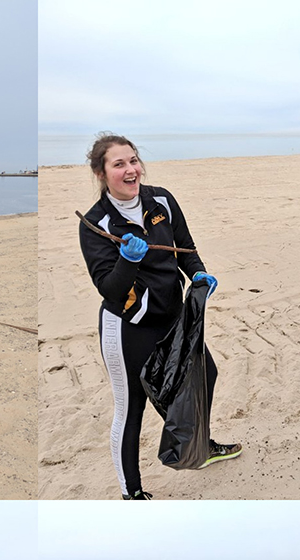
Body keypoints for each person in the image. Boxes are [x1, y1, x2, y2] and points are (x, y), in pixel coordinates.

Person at [78, 133, 241, 500]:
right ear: (102, 173)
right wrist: (128, 259)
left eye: (133, 160)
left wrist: (198, 273)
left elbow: (186, 249)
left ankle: (196, 446)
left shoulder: (162, 200)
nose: (130, 170)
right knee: (131, 407)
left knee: (204, 377)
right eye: (118, 164)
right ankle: (131, 493)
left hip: (173, 316)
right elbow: (110, 289)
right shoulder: (96, 223)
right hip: (127, 326)